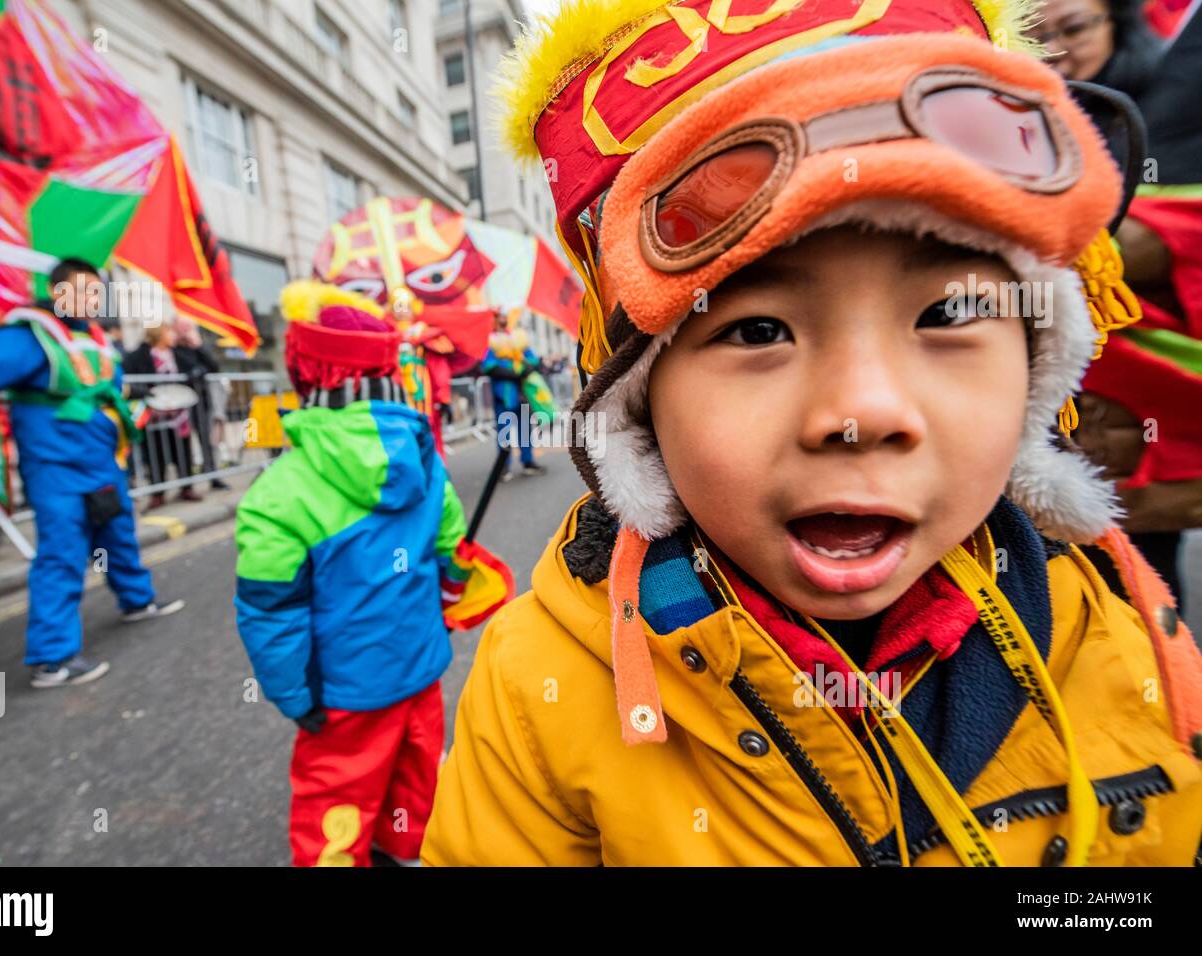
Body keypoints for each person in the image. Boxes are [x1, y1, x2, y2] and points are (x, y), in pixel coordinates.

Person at [422, 0, 1202, 866]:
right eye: (758, 331)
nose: (860, 415)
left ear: (1036, 368)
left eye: (948, 312)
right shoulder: (541, 690)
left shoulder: (1116, 635)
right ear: (639, 413)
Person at [234, 287, 507, 867]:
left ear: (307, 374)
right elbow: (452, 557)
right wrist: (451, 604)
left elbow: (270, 610)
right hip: (422, 669)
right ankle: (409, 852)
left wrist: (291, 692)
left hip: (343, 693)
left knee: (336, 803)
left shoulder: (278, 493)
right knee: (416, 782)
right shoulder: (425, 456)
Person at [0, 258, 183, 687]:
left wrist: (137, 392)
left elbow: (109, 384)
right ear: (57, 292)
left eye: (95, 292)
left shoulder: (94, 337)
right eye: (80, 290)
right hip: (55, 466)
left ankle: (137, 600)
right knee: (62, 553)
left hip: (102, 460)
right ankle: (54, 658)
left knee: (118, 534)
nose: (89, 299)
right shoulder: (29, 335)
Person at [1030, 0, 1202, 607]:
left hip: (1135, 410)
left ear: (1119, 24)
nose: (1061, 49)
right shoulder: (1019, 117)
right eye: (1039, 37)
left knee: (1142, 581)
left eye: (1075, 27)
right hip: (1052, 407)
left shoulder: (1168, 112)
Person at [123, 321, 201, 508]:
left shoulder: (179, 353)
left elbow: (203, 367)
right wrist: (144, 392)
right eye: (169, 333)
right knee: (155, 454)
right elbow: (127, 379)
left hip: (178, 413)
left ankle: (186, 487)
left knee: (183, 451)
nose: (173, 336)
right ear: (159, 335)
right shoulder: (140, 356)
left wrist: (195, 367)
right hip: (154, 415)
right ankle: (158, 492)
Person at [480, 314, 547, 480]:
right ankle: (503, 466)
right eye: (497, 318)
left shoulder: (517, 339)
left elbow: (532, 360)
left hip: (523, 393)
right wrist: (511, 374)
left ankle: (528, 462)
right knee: (504, 432)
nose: (501, 321)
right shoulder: (491, 341)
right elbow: (487, 366)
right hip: (503, 394)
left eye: (503, 317)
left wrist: (526, 369)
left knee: (525, 429)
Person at [172, 316, 229, 491]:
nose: (186, 330)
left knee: (207, 440)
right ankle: (186, 485)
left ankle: (213, 476)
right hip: (181, 401)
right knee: (183, 442)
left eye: (188, 327)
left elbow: (213, 366)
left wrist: (199, 347)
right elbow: (183, 369)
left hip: (201, 400)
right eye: (183, 327)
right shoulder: (173, 349)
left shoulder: (197, 347)